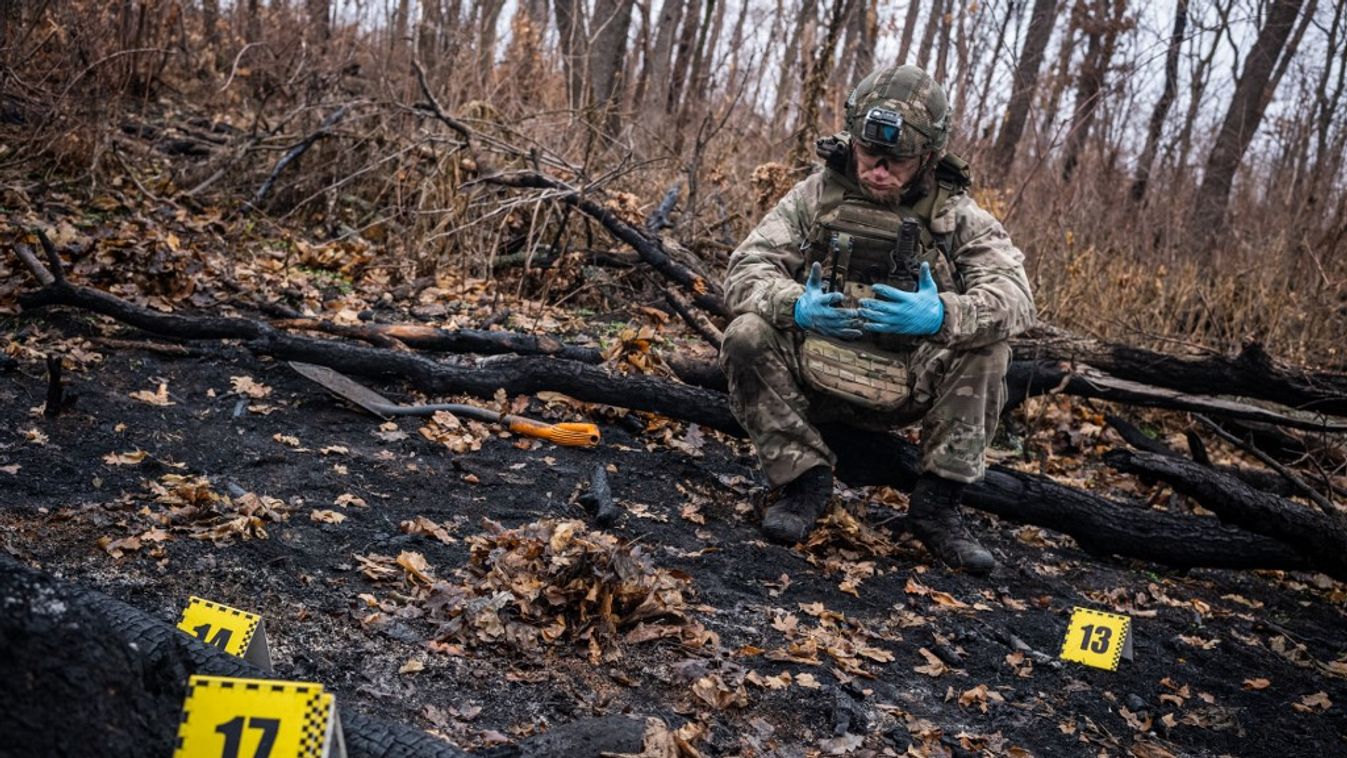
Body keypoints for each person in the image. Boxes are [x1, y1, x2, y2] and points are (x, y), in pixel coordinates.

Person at [720, 65, 1036, 575]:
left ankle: (937, 509)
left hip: (908, 377)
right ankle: (803, 483)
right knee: (747, 334)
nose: (878, 170)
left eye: (897, 160)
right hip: (815, 368)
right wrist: (794, 303)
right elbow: (744, 270)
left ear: (928, 157)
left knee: (989, 349)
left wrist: (941, 316)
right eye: (869, 154)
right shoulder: (813, 196)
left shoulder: (954, 215)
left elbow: (1017, 298)